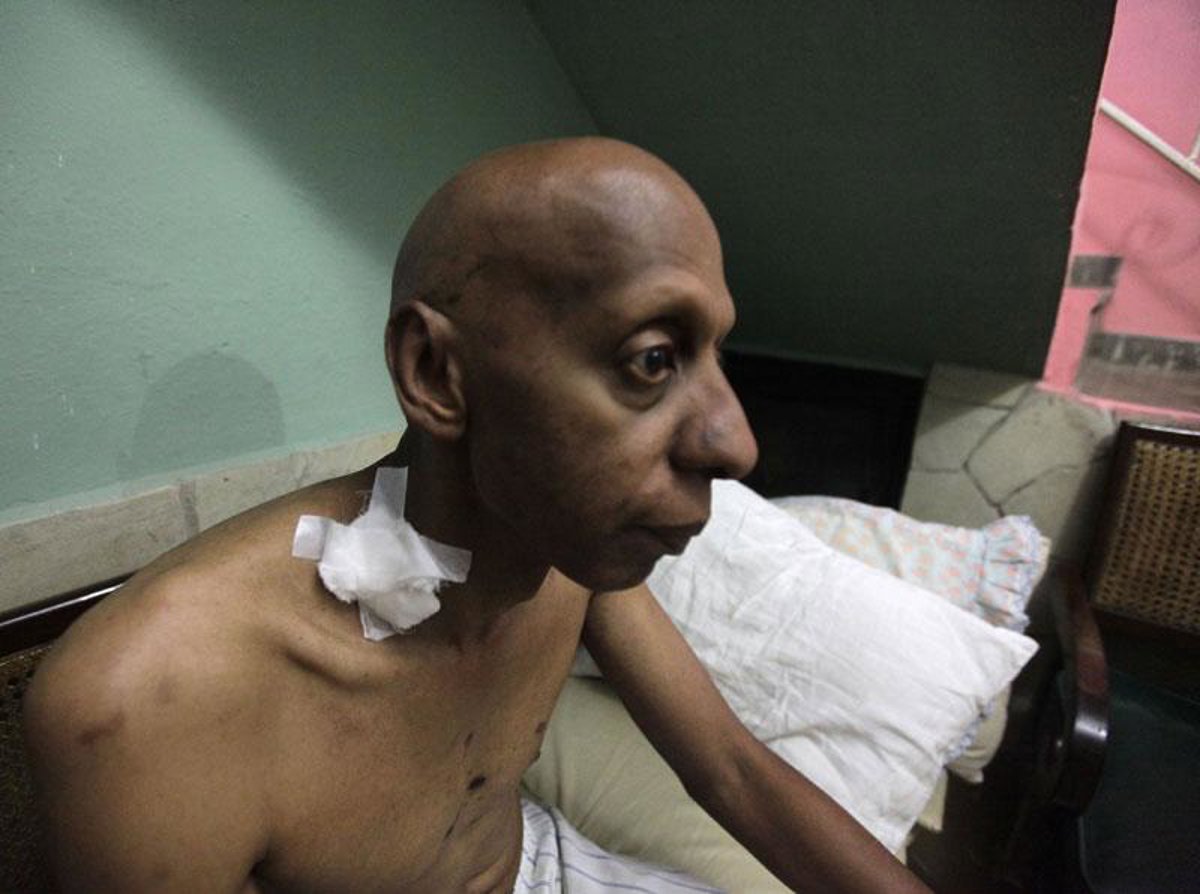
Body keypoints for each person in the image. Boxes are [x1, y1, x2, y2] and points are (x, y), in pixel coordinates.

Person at [25, 138, 930, 893]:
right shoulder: (145, 703)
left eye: (712, 355)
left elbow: (730, 769)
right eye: (653, 359)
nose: (736, 444)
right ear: (436, 374)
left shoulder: (563, 550)